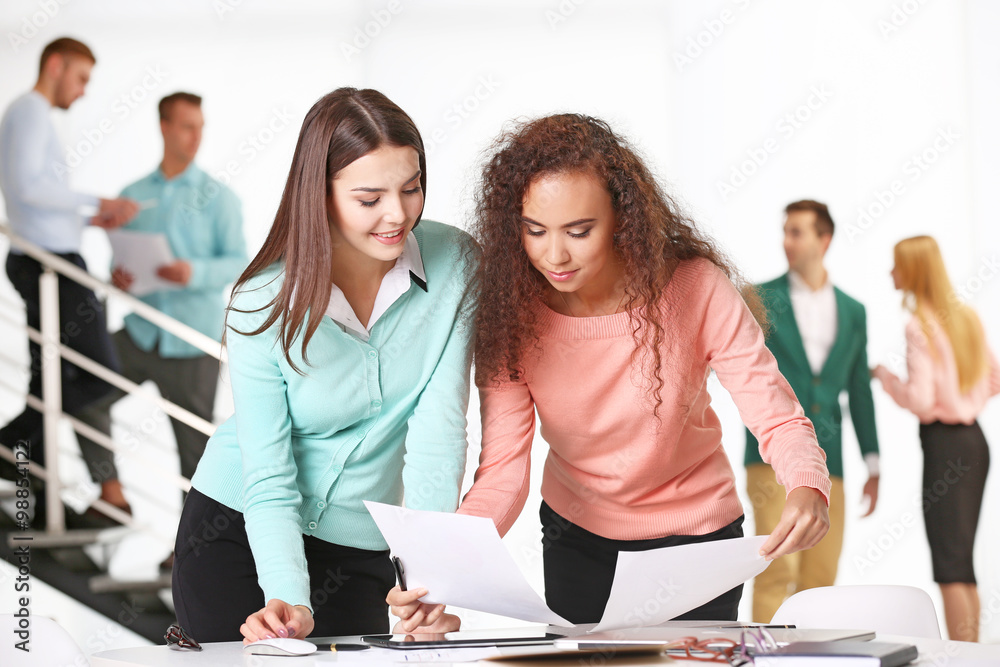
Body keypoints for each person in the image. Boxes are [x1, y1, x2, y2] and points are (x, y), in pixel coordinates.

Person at [390, 114, 831, 631]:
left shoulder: (696, 288)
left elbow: (775, 417)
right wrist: (444, 569)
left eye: (579, 231)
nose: (554, 255)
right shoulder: (509, 313)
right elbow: (504, 473)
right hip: (577, 540)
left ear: (623, 217)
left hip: (698, 543)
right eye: (535, 231)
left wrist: (807, 486)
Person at [170, 88, 476, 643]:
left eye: (412, 188)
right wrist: (287, 594)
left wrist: (427, 578)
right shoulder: (261, 303)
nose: (398, 214)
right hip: (236, 527)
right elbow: (267, 471)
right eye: (369, 198)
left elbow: (440, 433)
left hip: (359, 545)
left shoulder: (457, 266)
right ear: (321, 195)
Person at [78, 92, 246, 517]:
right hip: (142, 331)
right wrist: (118, 277)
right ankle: (110, 492)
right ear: (164, 127)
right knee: (80, 393)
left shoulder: (219, 197)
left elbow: (240, 261)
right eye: (187, 126)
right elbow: (122, 260)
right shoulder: (132, 195)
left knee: (196, 458)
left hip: (193, 343)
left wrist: (193, 272)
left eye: (200, 127)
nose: (196, 136)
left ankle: (185, 553)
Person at [0, 37, 139, 521]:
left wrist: (87, 221)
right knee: (97, 373)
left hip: (49, 254)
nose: (82, 92)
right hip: (48, 265)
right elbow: (26, 188)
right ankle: (8, 446)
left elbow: (36, 200)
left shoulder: (32, 114)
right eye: (80, 77)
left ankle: (34, 496)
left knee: (52, 378)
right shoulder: (30, 111)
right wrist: (95, 203)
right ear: (54, 65)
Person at [744, 200, 880, 622]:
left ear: (825, 239)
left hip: (831, 458)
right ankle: (763, 656)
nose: (787, 241)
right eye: (785, 231)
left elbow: (859, 388)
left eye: (797, 231)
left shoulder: (854, 311)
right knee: (776, 566)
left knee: (822, 575)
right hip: (772, 457)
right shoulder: (759, 297)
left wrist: (873, 464)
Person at [872, 235, 999, 643]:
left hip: (945, 447)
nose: (891, 272)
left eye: (896, 264)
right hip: (975, 443)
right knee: (961, 561)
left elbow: (924, 403)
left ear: (913, 270)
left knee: (949, 564)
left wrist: (887, 380)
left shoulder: (919, 326)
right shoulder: (967, 318)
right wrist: (967, 397)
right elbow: (995, 378)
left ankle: (964, 656)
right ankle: (976, 653)